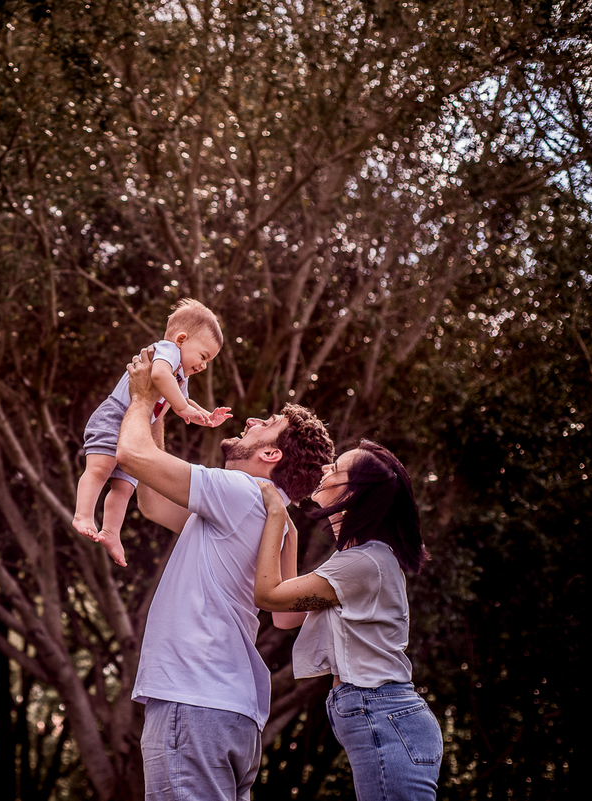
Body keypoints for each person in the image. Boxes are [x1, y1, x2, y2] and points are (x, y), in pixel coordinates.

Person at [116, 345, 334, 801]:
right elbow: (152, 500)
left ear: (271, 453)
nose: (252, 421)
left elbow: (132, 456)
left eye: (266, 423)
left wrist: (138, 398)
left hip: (193, 702)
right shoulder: (259, 511)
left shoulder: (239, 490)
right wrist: (159, 408)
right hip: (229, 712)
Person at [254, 441, 442, 801]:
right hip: (386, 716)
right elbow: (285, 617)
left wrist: (275, 516)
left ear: (353, 492)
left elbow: (267, 596)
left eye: (335, 468)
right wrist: (288, 534)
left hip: (384, 715)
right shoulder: (358, 559)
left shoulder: (363, 563)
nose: (325, 470)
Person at [74, 298, 232, 567]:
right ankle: (83, 514)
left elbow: (182, 399)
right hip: (116, 416)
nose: (204, 365)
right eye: (203, 356)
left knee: (123, 488)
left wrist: (203, 415)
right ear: (182, 339)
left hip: (137, 428)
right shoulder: (167, 351)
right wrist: (183, 408)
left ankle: (111, 531)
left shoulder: (181, 373)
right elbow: (159, 377)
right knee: (99, 470)